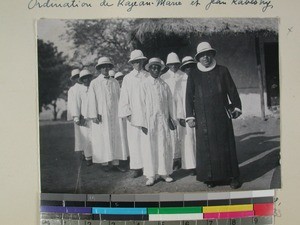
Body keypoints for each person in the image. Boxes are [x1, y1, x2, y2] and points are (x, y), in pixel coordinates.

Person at [186, 42, 242, 189]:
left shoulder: (223, 71)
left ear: (212, 55)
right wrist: (190, 117)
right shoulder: (193, 74)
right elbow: (188, 96)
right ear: (198, 58)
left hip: (222, 116)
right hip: (203, 118)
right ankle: (211, 177)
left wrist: (236, 107)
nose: (205, 57)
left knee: (225, 146)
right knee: (207, 148)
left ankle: (233, 177)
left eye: (208, 54)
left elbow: (232, 90)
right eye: (202, 55)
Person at [133, 58, 175, 186]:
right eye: (153, 67)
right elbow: (139, 105)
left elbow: (169, 104)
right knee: (149, 147)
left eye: (158, 67)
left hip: (162, 120)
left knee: (163, 145)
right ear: (149, 69)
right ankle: (151, 175)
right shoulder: (144, 85)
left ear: (161, 69)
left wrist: (170, 119)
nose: (156, 70)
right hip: (149, 122)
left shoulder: (164, 85)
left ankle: (164, 173)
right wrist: (143, 123)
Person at [87, 57, 127, 172]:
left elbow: (120, 98)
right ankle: (105, 163)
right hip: (102, 115)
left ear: (110, 68)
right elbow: (92, 99)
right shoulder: (95, 83)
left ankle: (115, 163)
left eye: (107, 66)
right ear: (99, 69)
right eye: (102, 67)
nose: (105, 68)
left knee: (115, 136)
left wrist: (121, 112)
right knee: (103, 137)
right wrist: (94, 114)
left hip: (114, 114)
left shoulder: (114, 82)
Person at [118, 50, 149, 178]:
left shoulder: (148, 76)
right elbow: (124, 97)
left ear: (143, 61)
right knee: (134, 140)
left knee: (146, 140)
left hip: (147, 113)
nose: (138, 64)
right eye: (135, 61)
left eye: (140, 61)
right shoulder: (128, 78)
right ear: (132, 63)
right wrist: (128, 113)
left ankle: (148, 165)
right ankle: (136, 167)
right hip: (134, 114)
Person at [161, 52, 185, 170]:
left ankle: (182, 158)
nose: (174, 66)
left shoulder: (184, 76)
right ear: (168, 65)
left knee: (182, 133)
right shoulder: (163, 77)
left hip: (181, 107)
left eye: (176, 64)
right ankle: (173, 159)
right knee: (171, 133)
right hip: (170, 108)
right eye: (171, 64)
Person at [175, 56, 197, 175]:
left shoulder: (199, 77)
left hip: (199, 113)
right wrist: (180, 116)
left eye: (191, 66)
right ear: (183, 68)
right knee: (188, 140)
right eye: (186, 67)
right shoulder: (181, 81)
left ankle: (201, 164)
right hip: (185, 114)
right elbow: (178, 100)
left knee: (199, 139)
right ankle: (192, 166)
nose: (189, 68)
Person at [75, 69, 94, 166]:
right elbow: (77, 104)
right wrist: (77, 117)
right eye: (84, 78)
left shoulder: (94, 87)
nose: (86, 79)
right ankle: (88, 158)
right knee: (86, 138)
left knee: (95, 137)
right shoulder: (79, 90)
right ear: (82, 80)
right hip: (84, 117)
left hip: (94, 117)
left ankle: (97, 156)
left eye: (88, 77)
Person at [67, 69, 86, 154]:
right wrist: (75, 117)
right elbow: (71, 104)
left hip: (88, 113)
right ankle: (83, 152)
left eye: (79, 76)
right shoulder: (72, 89)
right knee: (80, 134)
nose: (77, 78)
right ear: (73, 79)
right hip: (77, 113)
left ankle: (90, 152)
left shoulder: (87, 86)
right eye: (75, 77)